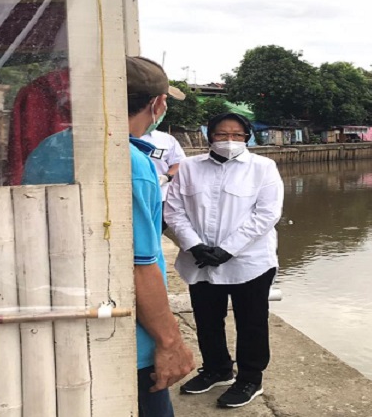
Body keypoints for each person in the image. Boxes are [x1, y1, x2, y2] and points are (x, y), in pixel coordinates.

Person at [23, 56, 194, 416]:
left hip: (56, 315)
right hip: (119, 331)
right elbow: (139, 266)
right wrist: (169, 341)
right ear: (157, 104)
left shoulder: (49, 148)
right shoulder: (129, 164)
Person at [164, 112, 283, 409]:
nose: (229, 140)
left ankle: (250, 378)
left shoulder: (263, 168)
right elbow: (174, 209)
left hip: (250, 262)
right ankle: (217, 369)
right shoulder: (190, 168)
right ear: (209, 136)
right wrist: (194, 245)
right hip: (200, 260)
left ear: (248, 137)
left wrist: (228, 249)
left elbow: (266, 214)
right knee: (206, 319)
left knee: (251, 322)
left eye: (237, 135)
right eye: (221, 134)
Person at [140, 128, 187, 231]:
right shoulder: (117, 135)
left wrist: (166, 176)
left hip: (159, 197)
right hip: (126, 196)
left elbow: (179, 163)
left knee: (154, 232)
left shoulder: (166, 139)